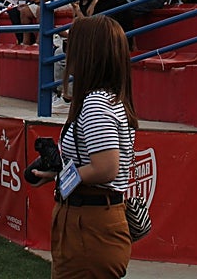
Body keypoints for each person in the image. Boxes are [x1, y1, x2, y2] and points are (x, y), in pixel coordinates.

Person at [26, 14, 137, 278]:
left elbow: (105, 168)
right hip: (89, 222)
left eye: (72, 46)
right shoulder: (105, 98)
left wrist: (64, 175)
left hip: (90, 225)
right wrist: (59, 173)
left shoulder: (97, 103)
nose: (67, 52)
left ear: (89, 54)